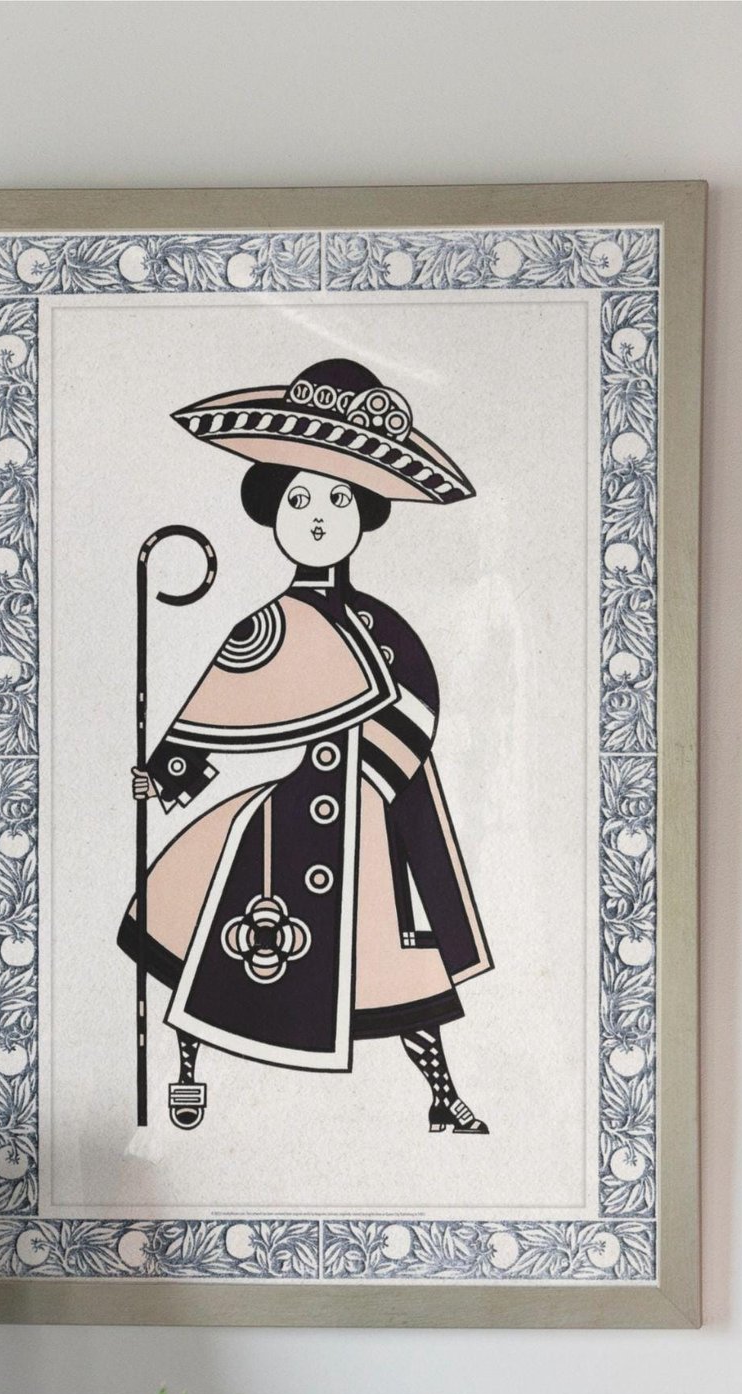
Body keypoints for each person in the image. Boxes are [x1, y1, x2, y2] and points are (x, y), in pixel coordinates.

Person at [118, 358, 493, 1135]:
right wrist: (166, 775)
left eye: (335, 498)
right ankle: (187, 1077)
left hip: (366, 813)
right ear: (274, 510)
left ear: (361, 512)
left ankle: (443, 1096)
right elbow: (216, 710)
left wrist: (378, 782)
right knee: (205, 936)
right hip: (283, 815)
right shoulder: (268, 624)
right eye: (299, 496)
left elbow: (418, 705)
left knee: (391, 965)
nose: (316, 514)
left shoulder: (382, 628)